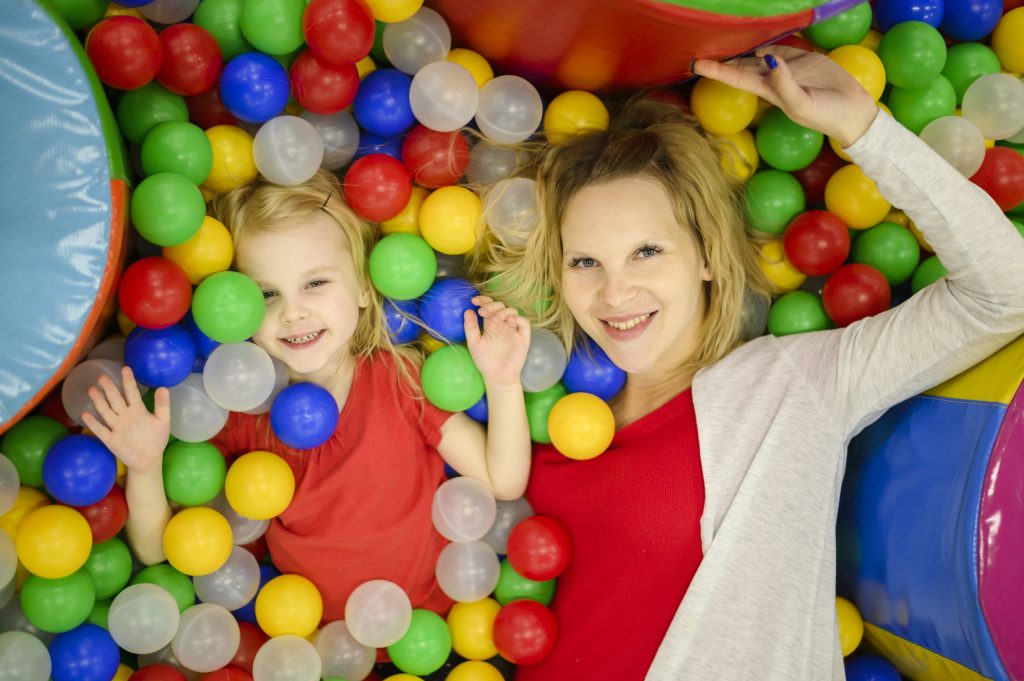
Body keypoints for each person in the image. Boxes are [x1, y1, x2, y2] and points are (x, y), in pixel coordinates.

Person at [479, 45, 1024, 680]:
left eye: (647, 251)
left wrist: (861, 126)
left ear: (707, 256)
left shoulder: (790, 387)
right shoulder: (542, 413)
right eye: (585, 262)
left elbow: (1002, 293)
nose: (614, 293)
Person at [81, 169, 533, 620]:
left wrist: (503, 381)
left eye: (316, 283)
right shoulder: (239, 417)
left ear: (361, 287)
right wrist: (145, 464)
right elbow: (158, 546)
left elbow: (504, 480)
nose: (293, 312)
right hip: (315, 649)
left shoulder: (399, 381)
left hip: (439, 622)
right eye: (266, 293)